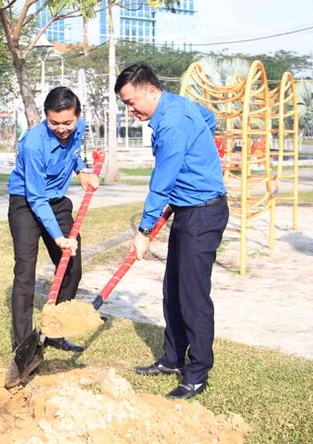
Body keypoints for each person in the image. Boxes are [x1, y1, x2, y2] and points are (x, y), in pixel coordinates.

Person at [115, 63, 228, 400]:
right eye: (126, 104)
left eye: (133, 102)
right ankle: (172, 359)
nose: (131, 110)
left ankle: (197, 373)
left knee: (193, 297)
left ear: (151, 90)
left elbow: (162, 180)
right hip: (187, 210)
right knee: (173, 291)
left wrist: (144, 229)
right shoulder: (179, 106)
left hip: (203, 213)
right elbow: (210, 119)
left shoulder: (172, 124)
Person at [7, 86, 99, 354]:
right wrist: (59, 238)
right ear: (45, 117)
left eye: (68, 122)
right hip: (26, 203)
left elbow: (75, 152)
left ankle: (56, 331)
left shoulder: (78, 128)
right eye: (54, 123)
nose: (62, 129)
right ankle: (24, 345)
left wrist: (81, 171)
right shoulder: (33, 144)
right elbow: (36, 199)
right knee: (25, 272)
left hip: (58, 203)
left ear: (77, 116)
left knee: (72, 265)